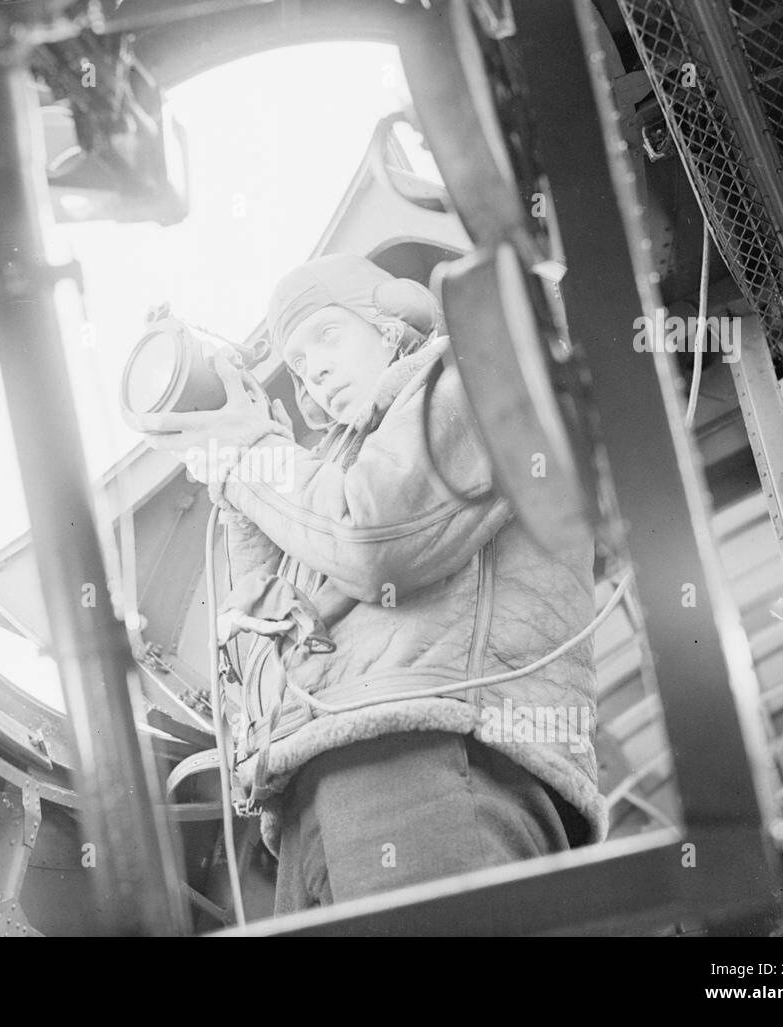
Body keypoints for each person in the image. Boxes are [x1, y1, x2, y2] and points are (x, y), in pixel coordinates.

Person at [137, 253, 605, 915]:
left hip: (432, 758)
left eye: (328, 335)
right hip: (312, 800)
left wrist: (250, 455)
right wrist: (240, 480)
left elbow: (377, 536)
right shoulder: (321, 477)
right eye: (299, 364)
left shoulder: (473, 371)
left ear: (390, 323)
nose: (316, 371)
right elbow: (267, 648)